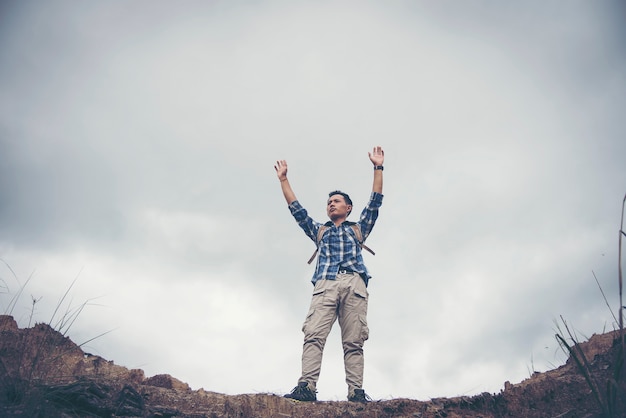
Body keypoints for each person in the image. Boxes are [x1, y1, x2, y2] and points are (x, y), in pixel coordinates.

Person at [274, 146, 385, 403]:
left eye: (336, 201)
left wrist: (378, 167)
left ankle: (356, 392)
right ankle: (306, 387)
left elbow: (375, 203)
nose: (330, 204)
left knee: (354, 341)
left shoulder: (358, 228)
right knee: (314, 335)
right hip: (325, 284)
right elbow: (297, 210)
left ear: (348, 207)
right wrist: (284, 180)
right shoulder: (319, 231)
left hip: (354, 283)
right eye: (328, 202)